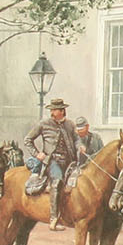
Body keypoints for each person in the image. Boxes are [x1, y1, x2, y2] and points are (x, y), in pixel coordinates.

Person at [24, 97, 78, 230]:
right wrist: (37, 154)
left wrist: (80, 146)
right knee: (57, 181)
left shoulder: (70, 125)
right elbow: (28, 140)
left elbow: (77, 140)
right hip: (52, 161)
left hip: (70, 161)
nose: (52, 113)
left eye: (54, 110)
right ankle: (54, 218)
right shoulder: (44, 124)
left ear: (62, 111)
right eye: (51, 110)